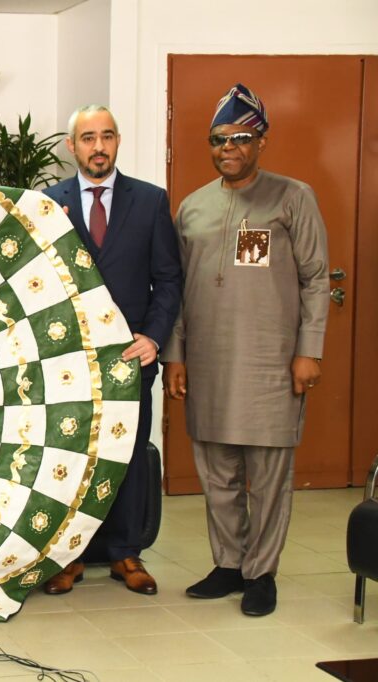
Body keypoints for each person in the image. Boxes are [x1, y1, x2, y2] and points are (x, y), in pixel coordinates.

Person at [162, 83, 329, 617]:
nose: (226, 148)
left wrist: (310, 350)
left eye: (239, 138)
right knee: (217, 473)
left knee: (270, 477)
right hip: (209, 362)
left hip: (271, 363)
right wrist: (176, 355)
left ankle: (262, 574)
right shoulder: (192, 206)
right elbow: (177, 289)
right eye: (218, 139)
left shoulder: (292, 197)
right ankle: (228, 564)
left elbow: (316, 279)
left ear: (260, 141)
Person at [43, 105, 182, 596]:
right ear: (71, 145)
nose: (97, 147)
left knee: (127, 457)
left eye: (106, 137)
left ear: (118, 141)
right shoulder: (46, 202)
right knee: (68, 458)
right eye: (87, 138)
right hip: (67, 364)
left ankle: (126, 553)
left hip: (130, 360)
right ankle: (68, 558)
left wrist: (155, 337)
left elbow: (167, 278)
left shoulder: (149, 201)